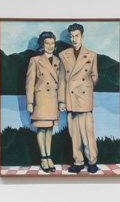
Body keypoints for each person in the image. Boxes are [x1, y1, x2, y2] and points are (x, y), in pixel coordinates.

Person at [59, 23, 101, 174]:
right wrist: (62, 101)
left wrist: (86, 88)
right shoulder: (64, 55)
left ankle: (92, 162)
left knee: (88, 133)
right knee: (74, 133)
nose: (74, 39)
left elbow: (95, 77)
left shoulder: (91, 55)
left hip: (84, 98)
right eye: (71, 36)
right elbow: (62, 79)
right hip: (70, 99)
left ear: (82, 36)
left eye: (77, 35)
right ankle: (78, 161)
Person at [23, 31, 64, 172]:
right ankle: (43, 157)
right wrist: (29, 102)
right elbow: (29, 83)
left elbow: (61, 83)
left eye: (52, 43)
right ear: (42, 45)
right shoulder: (35, 61)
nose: (50, 46)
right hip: (40, 100)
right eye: (47, 43)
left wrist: (61, 101)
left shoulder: (58, 61)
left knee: (50, 129)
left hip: (52, 100)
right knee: (41, 128)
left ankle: (49, 157)